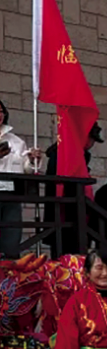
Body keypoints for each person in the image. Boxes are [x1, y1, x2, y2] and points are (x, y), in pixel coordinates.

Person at [44, 120, 102, 256]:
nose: (92, 144)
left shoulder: (80, 155)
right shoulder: (62, 154)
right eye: (91, 139)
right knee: (65, 257)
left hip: (79, 216)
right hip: (67, 216)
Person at [0, 100, 42, 257]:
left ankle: (9, 274)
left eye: (0, 111)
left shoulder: (17, 142)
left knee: (11, 238)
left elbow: (27, 170)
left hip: (12, 193)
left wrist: (32, 160)